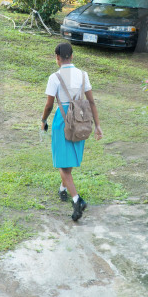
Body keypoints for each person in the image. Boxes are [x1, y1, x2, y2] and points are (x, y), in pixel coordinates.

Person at [41, 42, 102, 222]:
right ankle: (63, 189)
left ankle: (77, 200)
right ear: (72, 56)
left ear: (57, 58)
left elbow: (49, 104)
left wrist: (43, 120)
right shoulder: (83, 75)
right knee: (69, 159)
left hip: (63, 121)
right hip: (81, 119)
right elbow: (92, 102)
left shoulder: (55, 77)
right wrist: (98, 125)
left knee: (62, 163)